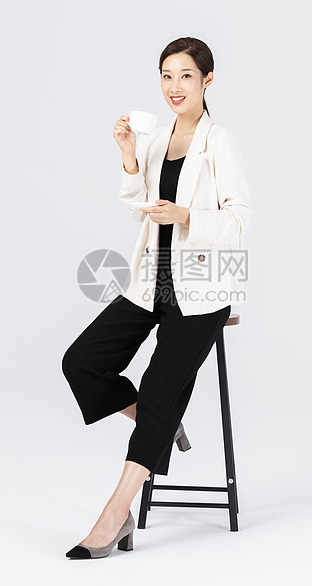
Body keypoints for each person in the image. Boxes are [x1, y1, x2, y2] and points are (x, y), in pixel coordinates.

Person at [61, 36, 253, 559]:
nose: (174, 86)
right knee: (81, 362)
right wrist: (128, 157)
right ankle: (159, 419)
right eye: (167, 75)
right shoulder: (156, 137)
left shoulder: (220, 142)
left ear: (207, 81)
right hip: (152, 279)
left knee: (158, 389)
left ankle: (114, 517)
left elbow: (240, 219)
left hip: (205, 286)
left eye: (186, 75)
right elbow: (138, 208)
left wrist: (187, 216)